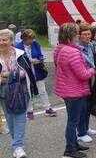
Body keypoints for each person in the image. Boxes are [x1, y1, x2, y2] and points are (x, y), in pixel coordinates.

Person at [54, 23, 96, 158]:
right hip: (74, 91)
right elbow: (83, 74)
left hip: (66, 88)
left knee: (73, 120)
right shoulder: (72, 51)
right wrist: (93, 70)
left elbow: (58, 66)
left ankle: (73, 144)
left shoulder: (59, 49)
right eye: (76, 33)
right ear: (70, 36)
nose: (78, 35)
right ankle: (70, 149)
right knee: (73, 122)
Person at [0, 29, 38, 158]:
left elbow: (25, 73)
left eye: (4, 40)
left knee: (20, 118)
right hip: (3, 92)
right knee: (9, 119)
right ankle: (16, 142)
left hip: (22, 90)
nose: (1, 42)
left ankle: (17, 146)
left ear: (11, 41)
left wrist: (7, 75)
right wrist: (11, 76)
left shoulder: (20, 54)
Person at [15, 29, 57, 120]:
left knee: (42, 90)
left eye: (33, 38)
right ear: (25, 38)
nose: (32, 40)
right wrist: (30, 60)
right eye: (31, 39)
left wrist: (41, 59)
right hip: (25, 73)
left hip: (37, 70)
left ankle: (47, 108)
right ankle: (30, 111)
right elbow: (17, 60)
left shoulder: (35, 44)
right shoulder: (18, 47)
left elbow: (40, 54)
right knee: (28, 92)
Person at [76, 23, 96, 143]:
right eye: (84, 34)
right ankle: (81, 132)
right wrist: (93, 69)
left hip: (90, 77)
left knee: (88, 104)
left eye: (89, 33)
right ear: (79, 36)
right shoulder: (77, 48)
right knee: (82, 107)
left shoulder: (91, 46)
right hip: (82, 79)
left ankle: (86, 127)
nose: (88, 36)